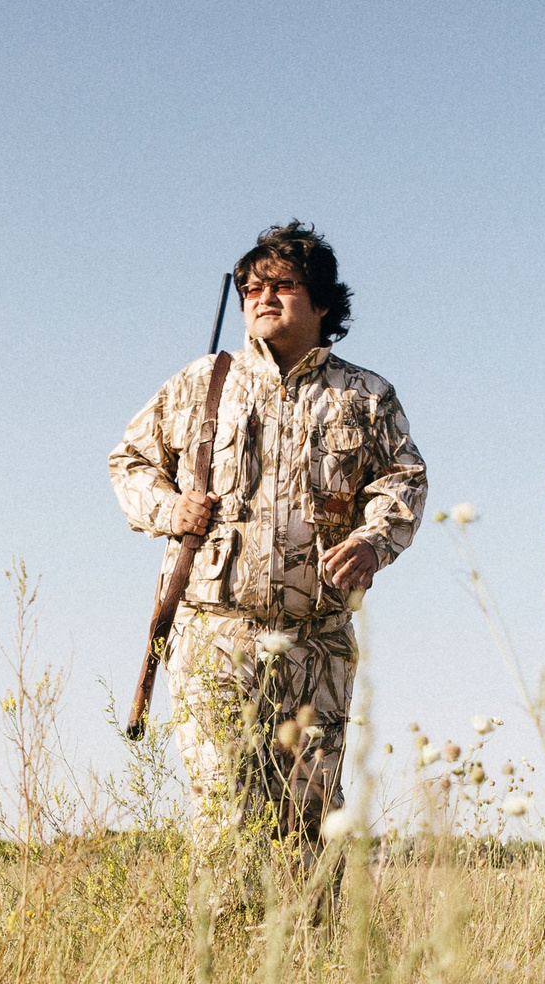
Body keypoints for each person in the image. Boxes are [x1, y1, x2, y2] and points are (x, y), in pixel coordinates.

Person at [109, 222, 426, 854]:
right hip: (212, 632)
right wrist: (172, 509)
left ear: (324, 303)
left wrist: (371, 541)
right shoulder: (202, 383)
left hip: (319, 638)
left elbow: (404, 480)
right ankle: (224, 951)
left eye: (282, 284)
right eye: (251, 286)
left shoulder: (366, 396)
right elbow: (129, 463)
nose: (262, 296)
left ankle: (314, 953)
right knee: (227, 814)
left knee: (309, 820)